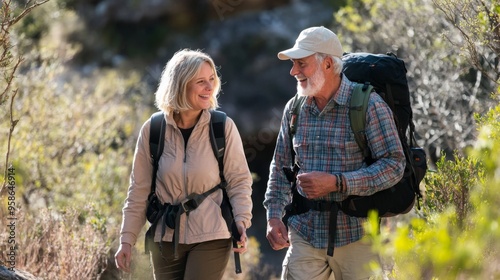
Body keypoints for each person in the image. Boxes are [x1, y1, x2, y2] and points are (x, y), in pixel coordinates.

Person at [263, 26, 406, 280]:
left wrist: (338, 183)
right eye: (294, 64)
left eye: (301, 64)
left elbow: (394, 164)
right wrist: (273, 216)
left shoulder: (368, 105)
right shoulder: (294, 108)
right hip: (304, 234)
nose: (293, 72)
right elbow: (280, 166)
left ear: (327, 64)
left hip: (357, 237)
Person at [114, 48, 253, 280]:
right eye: (200, 82)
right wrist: (126, 240)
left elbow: (239, 180)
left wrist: (241, 221)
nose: (209, 88)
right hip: (165, 237)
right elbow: (138, 190)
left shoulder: (222, 127)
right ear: (180, 85)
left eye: (211, 80)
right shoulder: (153, 130)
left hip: (212, 234)